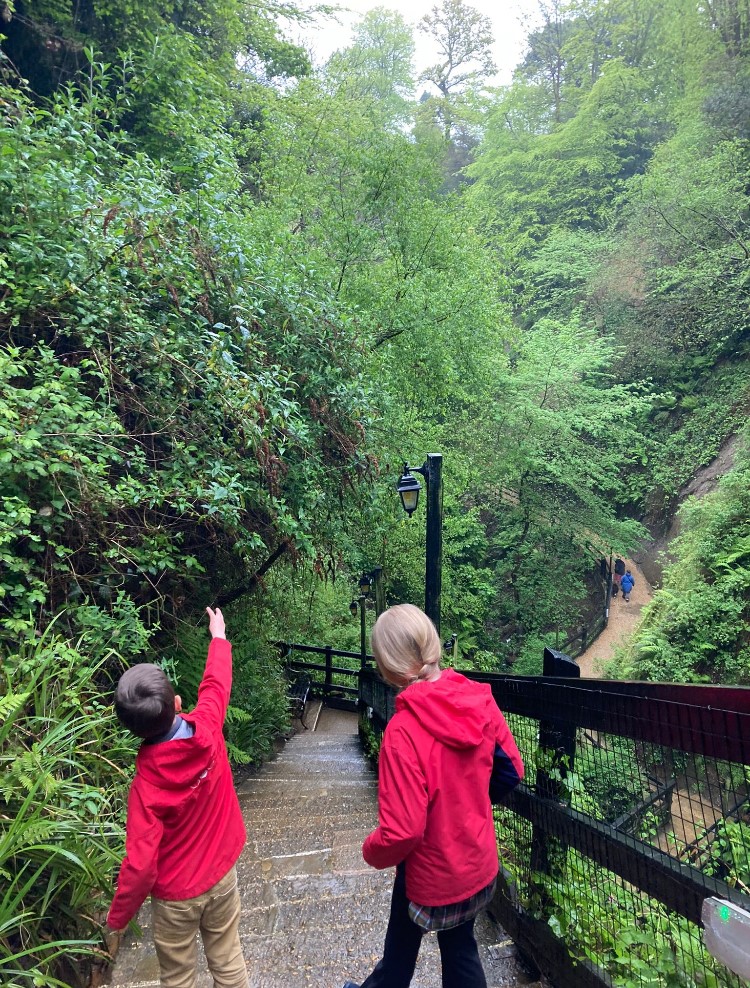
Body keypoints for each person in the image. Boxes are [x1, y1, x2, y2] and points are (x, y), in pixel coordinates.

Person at [342, 604, 524, 988]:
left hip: (430, 876)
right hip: (477, 865)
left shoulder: (403, 732)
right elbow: (511, 770)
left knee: (400, 952)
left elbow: (403, 832)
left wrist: (370, 850)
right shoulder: (479, 699)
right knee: (460, 946)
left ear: (388, 668)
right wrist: (467, 802)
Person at [105, 607, 249, 988]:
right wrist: (218, 636)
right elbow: (216, 685)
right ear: (179, 703)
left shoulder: (146, 790)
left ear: (133, 731)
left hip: (175, 897)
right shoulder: (209, 728)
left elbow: (140, 865)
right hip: (221, 874)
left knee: (178, 977)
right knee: (228, 959)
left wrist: (118, 919)